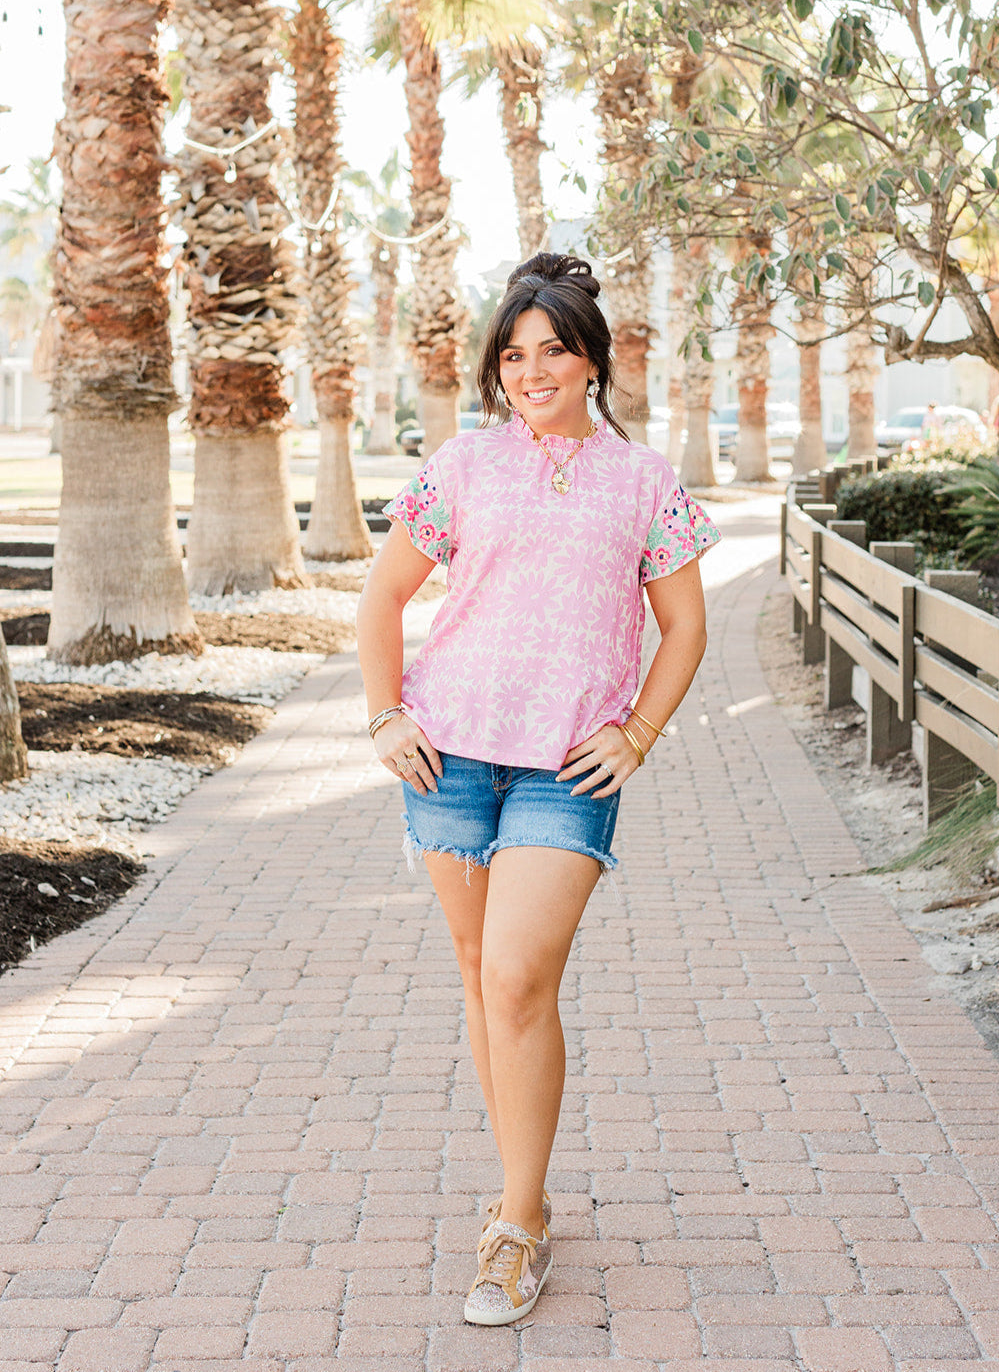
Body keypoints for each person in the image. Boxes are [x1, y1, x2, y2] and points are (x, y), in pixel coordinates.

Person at [355, 252, 719, 1325]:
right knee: (480, 973)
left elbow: (684, 626)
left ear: (590, 360)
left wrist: (638, 733)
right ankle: (526, 1186)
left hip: (567, 764)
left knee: (515, 974)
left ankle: (514, 1229)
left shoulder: (644, 481)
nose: (529, 372)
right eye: (511, 356)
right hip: (449, 752)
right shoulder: (461, 468)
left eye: (550, 350)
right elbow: (381, 600)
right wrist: (385, 713)